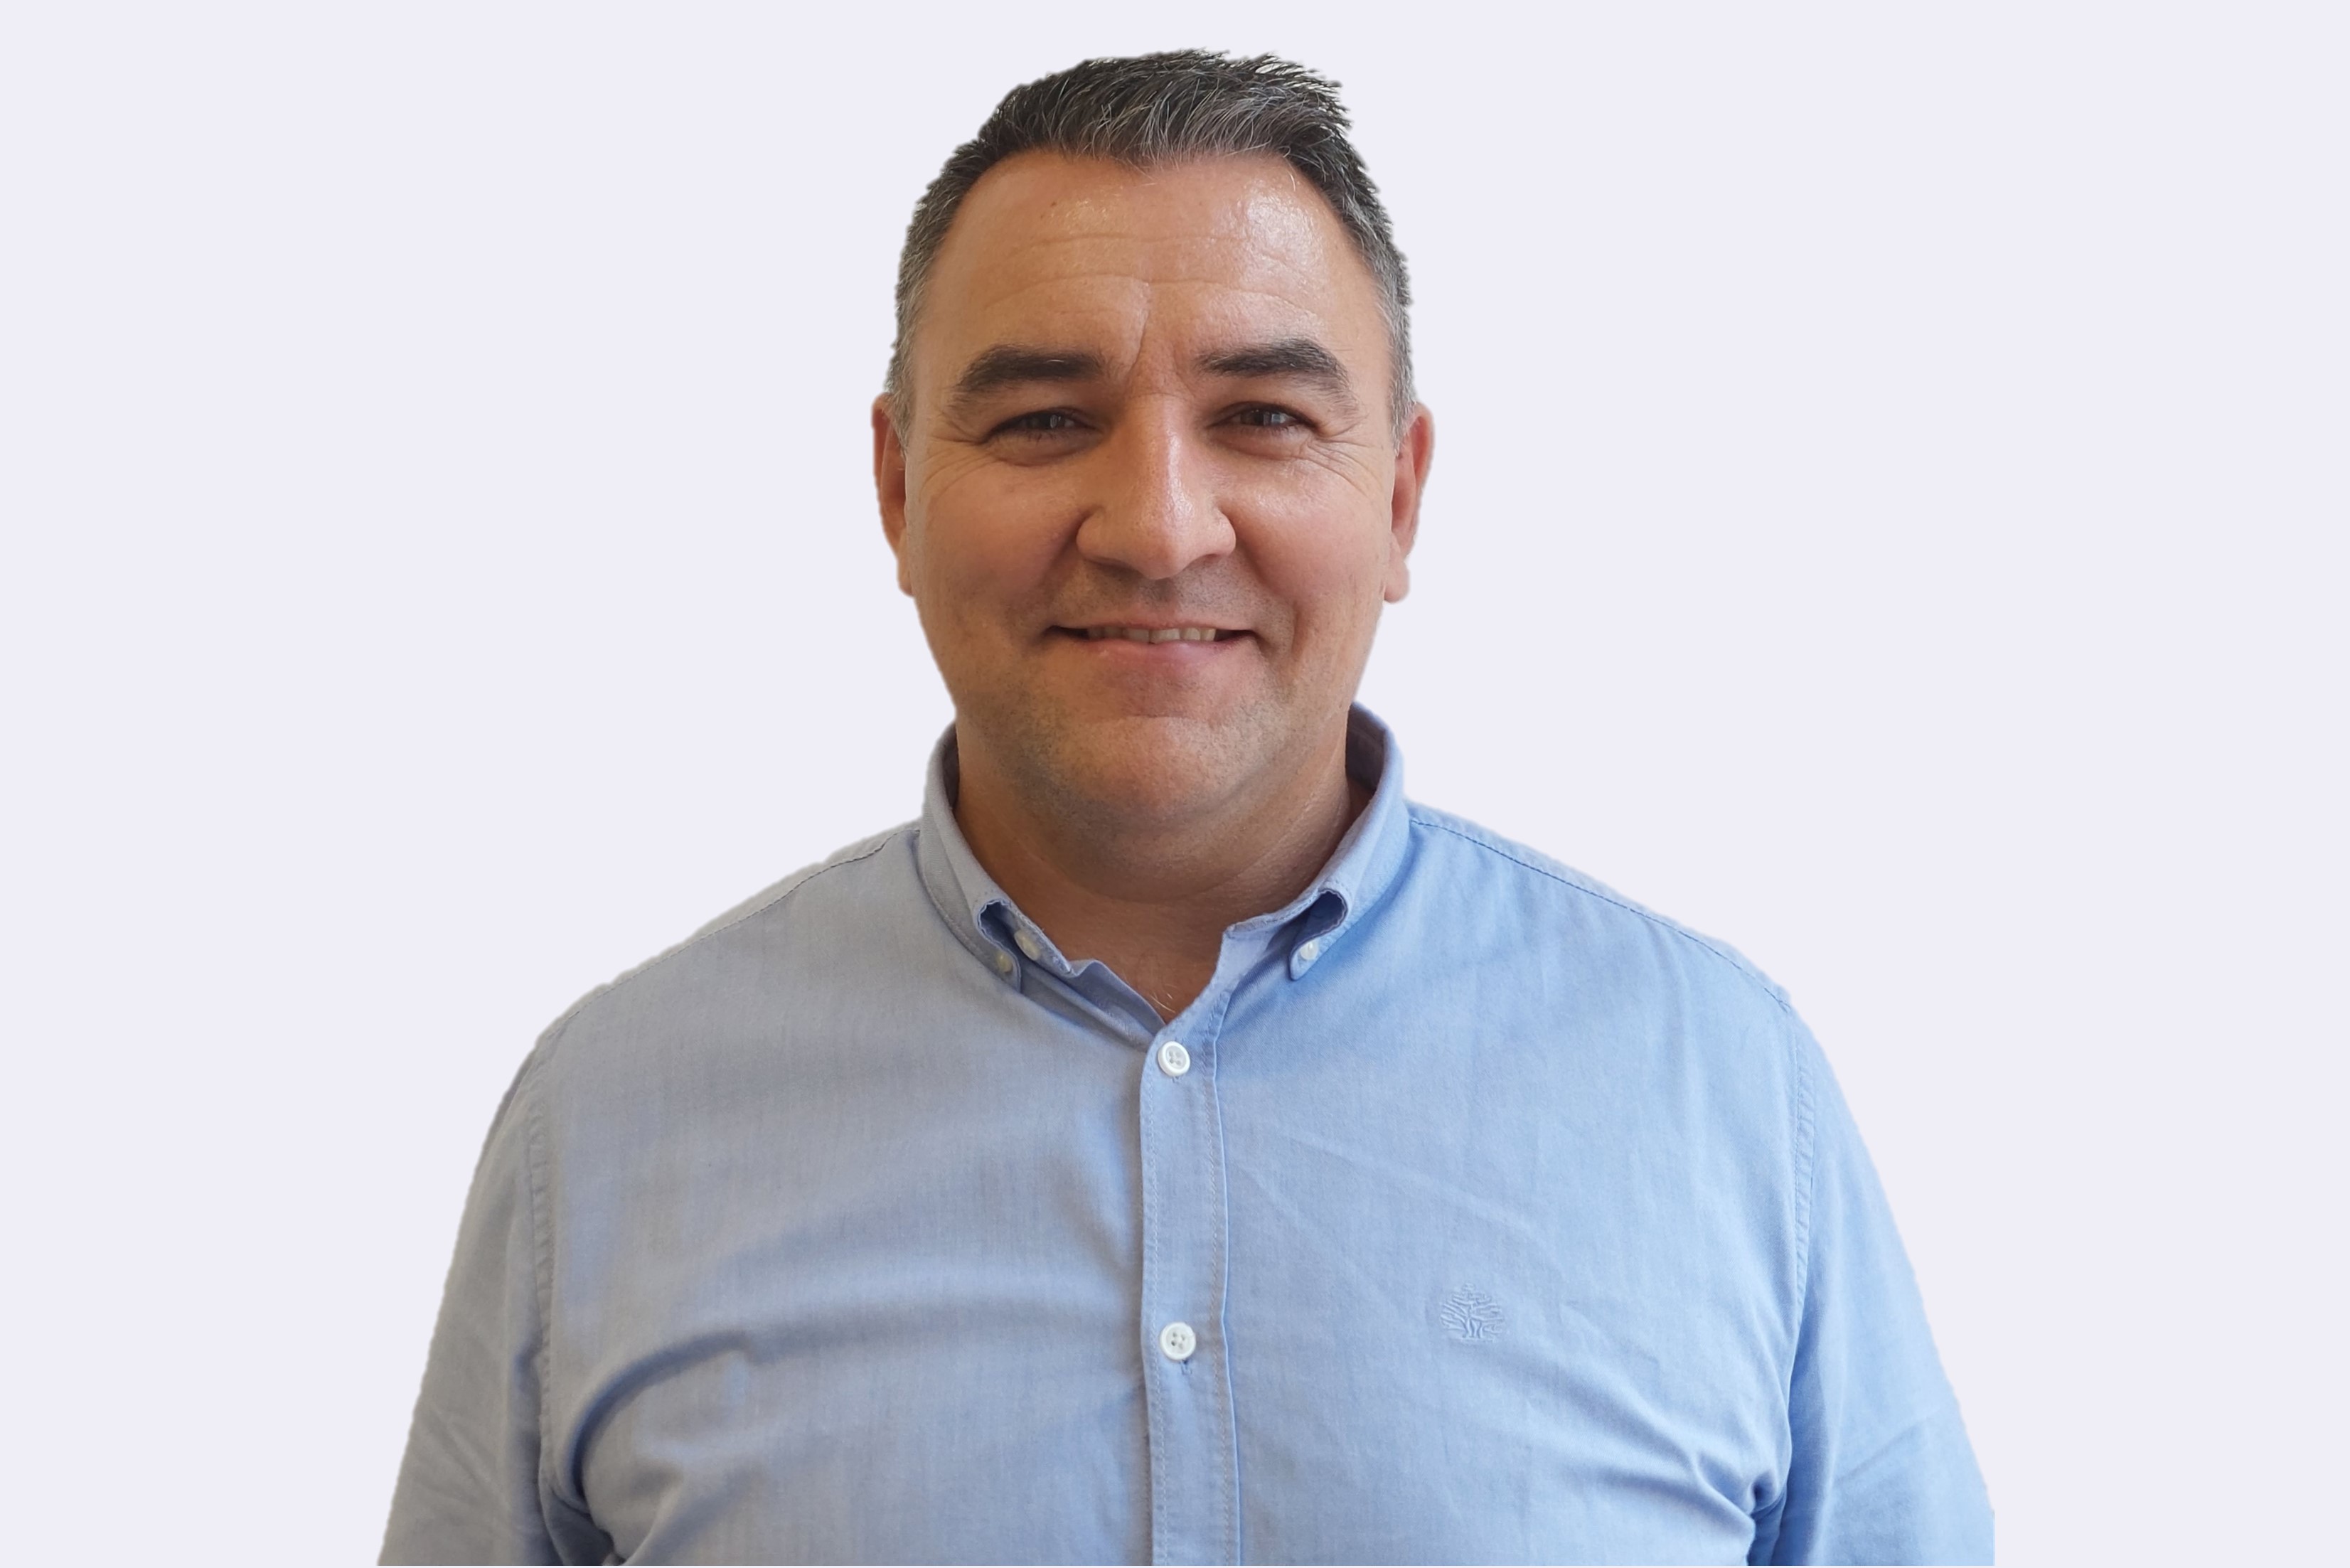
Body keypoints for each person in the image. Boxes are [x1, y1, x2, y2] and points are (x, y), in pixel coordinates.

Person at [383, 50, 1992, 1565]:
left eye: (1264, 418)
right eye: (1044, 420)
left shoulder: (1720, 1088)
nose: (1158, 528)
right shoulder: (609, 1120)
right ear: (896, 488)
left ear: (1400, 494)